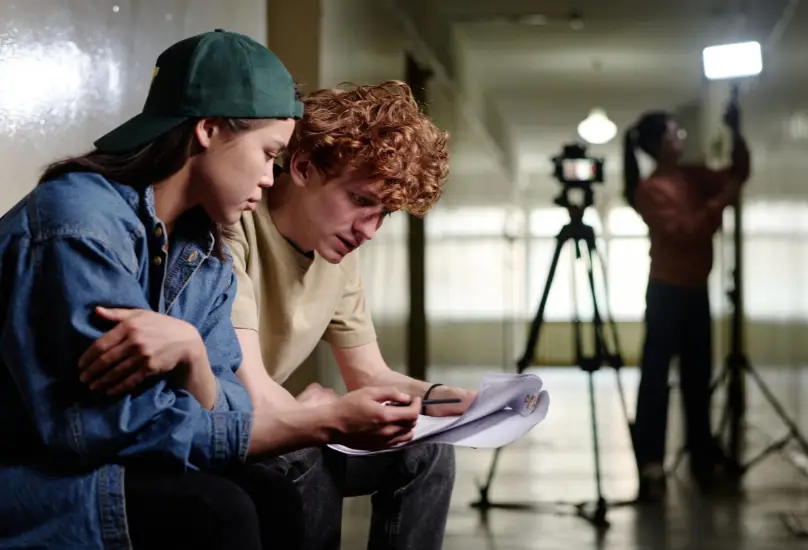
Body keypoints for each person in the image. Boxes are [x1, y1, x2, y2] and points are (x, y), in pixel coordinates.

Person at [0, 30, 421, 550]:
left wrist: (194, 354)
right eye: (268, 153)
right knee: (219, 510)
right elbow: (114, 427)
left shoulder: (202, 247)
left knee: (271, 493)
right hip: (40, 478)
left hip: (108, 460)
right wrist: (325, 423)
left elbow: (227, 409)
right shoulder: (80, 223)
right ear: (209, 129)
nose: (270, 177)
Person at [224, 81, 472, 550]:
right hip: (234, 429)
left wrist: (452, 402)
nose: (370, 231)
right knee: (304, 458)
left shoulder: (339, 257)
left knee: (429, 450)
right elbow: (249, 394)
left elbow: (369, 375)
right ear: (302, 167)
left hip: (284, 415)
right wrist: (320, 415)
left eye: (385, 213)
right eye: (360, 201)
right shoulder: (235, 226)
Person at [623, 103, 750, 501]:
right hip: (666, 293)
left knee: (698, 380)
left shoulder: (691, 177)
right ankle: (651, 463)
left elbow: (737, 173)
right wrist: (723, 200)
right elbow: (686, 232)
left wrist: (736, 132)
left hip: (695, 292)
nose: (681, 138)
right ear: (659, 144)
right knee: (656, 380)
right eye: (674, 133)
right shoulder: (651, 190)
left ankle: (701, 458)